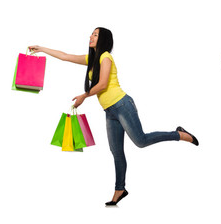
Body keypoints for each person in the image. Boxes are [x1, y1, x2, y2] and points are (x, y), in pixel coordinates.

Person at [30, 27, 199, 206]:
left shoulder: (105, 57)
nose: (91, 36)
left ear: (103, 39)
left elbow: (102, 84)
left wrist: (83, 96)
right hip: (110, 111)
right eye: (91, 34)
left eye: (95, 35)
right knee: (116, 151)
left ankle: (178, 134)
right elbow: (65, 56)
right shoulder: (92, 59)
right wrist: (41, 48)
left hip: (121, 105)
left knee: (140, 141)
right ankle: (120, 189)